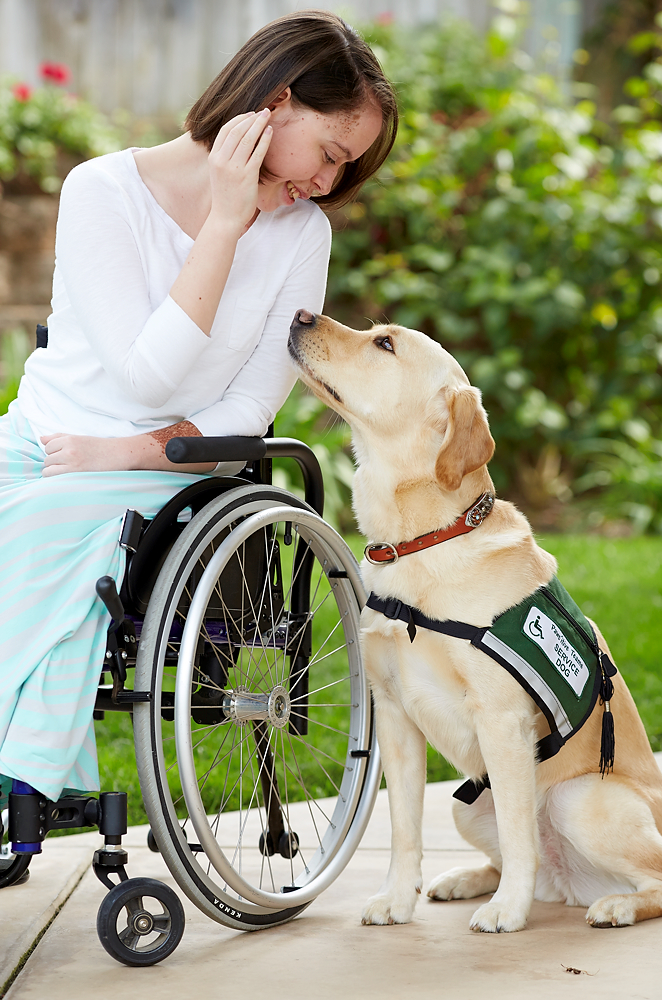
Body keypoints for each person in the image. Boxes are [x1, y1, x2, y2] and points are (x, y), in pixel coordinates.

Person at [0, 9, 397, 813]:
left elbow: (228, 399)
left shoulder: (297, 235)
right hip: (38, 441)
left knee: (40, 532)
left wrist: (224, 223)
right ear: (275, 100)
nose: (325, 183)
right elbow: (135, 368)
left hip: (168, 475)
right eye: (328, 152)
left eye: (342, 168)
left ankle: (20, 785)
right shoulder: (102, 190)